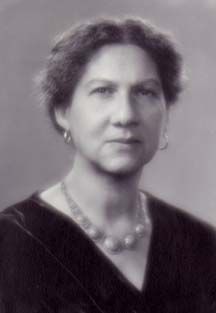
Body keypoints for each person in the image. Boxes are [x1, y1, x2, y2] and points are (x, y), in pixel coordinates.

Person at [0, 16, 216, 313]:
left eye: (145, 92)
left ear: (166, 113)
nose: (126, 115)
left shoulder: (202, 245)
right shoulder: (11, 242)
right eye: (103, 91)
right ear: (63, 112)